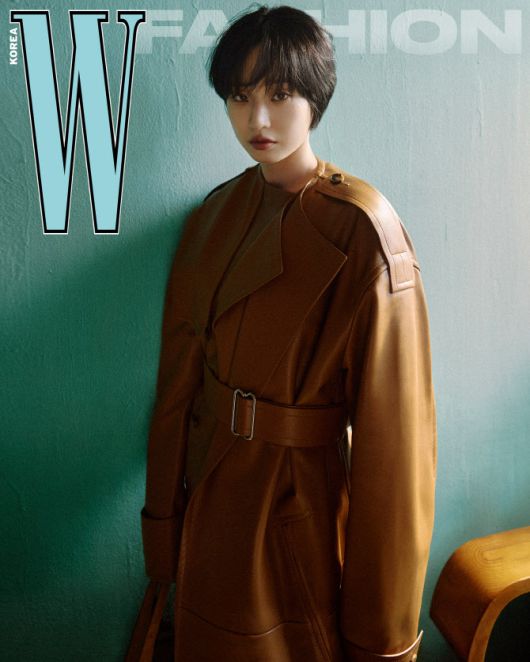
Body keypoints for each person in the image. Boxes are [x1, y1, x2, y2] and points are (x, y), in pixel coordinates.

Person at [127, 4, 437, 662]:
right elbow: (177, 387)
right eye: (240, 97)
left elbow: (396, 454)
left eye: (279, 94)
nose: (258, 120)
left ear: (314, 98)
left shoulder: (363, 230)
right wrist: (164, 529)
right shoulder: (217, 212)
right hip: (210, 502)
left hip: (295, 513)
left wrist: (385, 640)